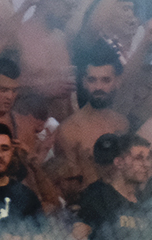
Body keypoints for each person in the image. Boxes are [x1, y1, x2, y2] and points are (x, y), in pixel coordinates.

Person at [52, 47, 130, 193]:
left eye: (106, 80)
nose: (98, 87)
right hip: (89, 207)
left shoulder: (123, 123)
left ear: (117, 82)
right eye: (92, 80)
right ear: (84, 82)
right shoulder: (70, 129)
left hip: (124, 206)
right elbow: (67, 186)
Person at [73, 133, 152, 240]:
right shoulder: (97, 196)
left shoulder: (146, 200)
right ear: (119, 162)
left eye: (148, 158)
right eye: (139, 158)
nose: (146, 164)